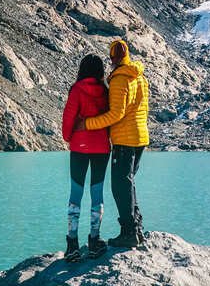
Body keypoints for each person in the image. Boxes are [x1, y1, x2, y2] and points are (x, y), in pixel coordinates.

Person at [75, 39, 149, 248]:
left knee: (119, 186)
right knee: (128, 182)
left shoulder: (119, 79)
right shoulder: (140, 76)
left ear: (113, 58)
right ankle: (137, 228)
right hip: (140, 137)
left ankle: (129, 233)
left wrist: (87, 124)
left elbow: (116, 114)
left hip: (125, 140)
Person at [61, 53, 111, 262]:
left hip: (80, 146)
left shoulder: (77, 89)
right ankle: (94, 241)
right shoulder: (107, 92)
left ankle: (72, 244)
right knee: (97, 193)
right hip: (101, 147)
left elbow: (68, 117)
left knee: (76, 193)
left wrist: (68, 137)